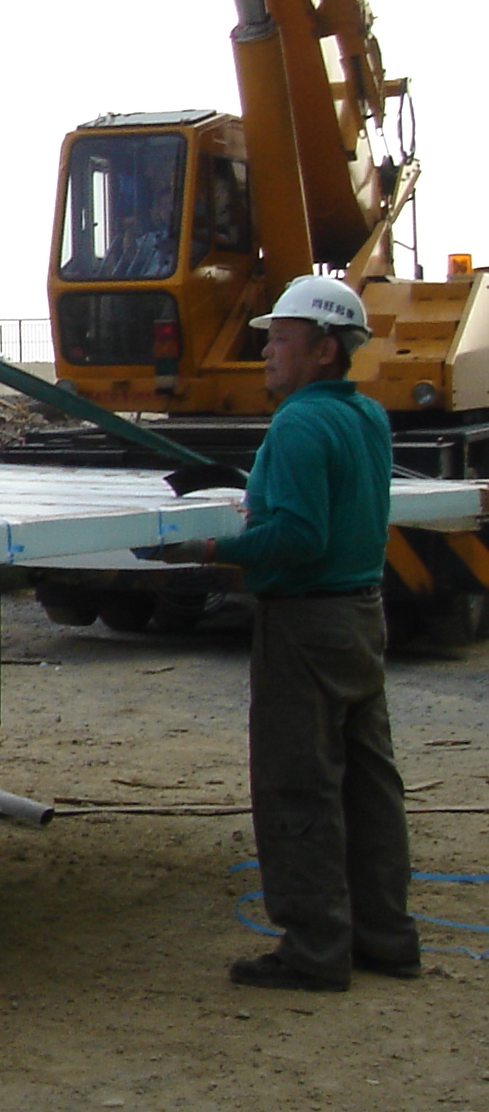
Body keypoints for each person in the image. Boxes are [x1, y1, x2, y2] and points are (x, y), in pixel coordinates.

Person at [172, 276, 417, 992]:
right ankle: (387, 937)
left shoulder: (300, 424)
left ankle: (314, 950)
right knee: (370, 784)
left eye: (281, 338)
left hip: (306, 622)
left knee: (297, 783)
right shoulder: (365, 416)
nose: (268, 352)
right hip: (359, 617)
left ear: (324, 348)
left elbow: (300, 537)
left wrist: (213, 551)